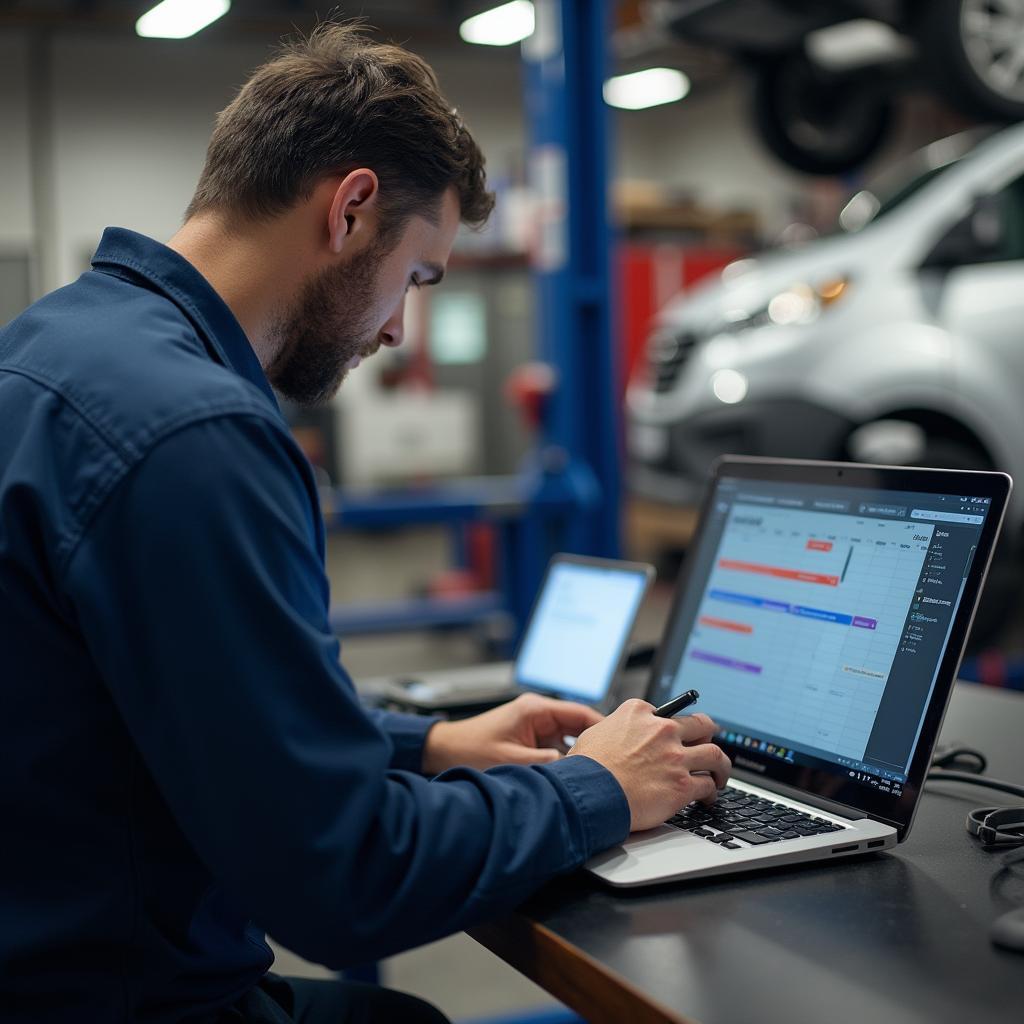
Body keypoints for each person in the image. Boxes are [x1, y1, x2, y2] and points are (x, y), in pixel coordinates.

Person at [0, 23, 731, 1024]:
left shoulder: (53, 346)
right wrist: (597, 787)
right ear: (350, 208)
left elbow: (182, 706)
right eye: (419, 278)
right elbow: (345, 879)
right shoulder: (195, 433)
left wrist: (424, 746)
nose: (396, 328)